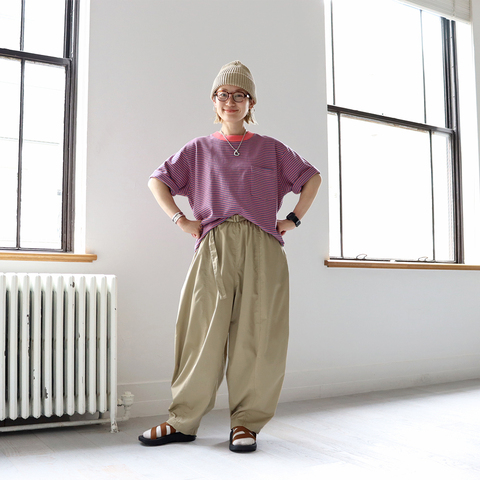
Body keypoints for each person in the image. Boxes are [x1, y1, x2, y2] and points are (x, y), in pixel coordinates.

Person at [139, 60, 321, 452]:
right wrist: (180, 219)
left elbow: (311, 178)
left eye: (240, 94)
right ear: (214, 100)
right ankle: (182, 421)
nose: (231, 101)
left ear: (251, 102)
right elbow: (158, 180)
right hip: (214, 244)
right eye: (224, 94)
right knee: (200, 332)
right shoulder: (198, 149)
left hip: (262, 245)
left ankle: (246, 424)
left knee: (258, 335)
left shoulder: (271, 148)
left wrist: (292, 219)